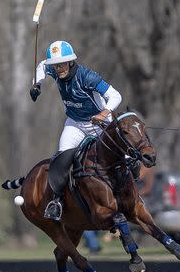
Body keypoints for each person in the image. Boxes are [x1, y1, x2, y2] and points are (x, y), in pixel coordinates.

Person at [29, 40, 122, 221]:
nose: (59, 69)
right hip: (75, 123)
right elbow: (41, 65)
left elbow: (115, 95)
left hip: (99, 123)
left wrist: (104, 113)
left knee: (123, 156)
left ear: (70, 62)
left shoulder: (87, 77)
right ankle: (57, 203)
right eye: (56, 66)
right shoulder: (53, 70)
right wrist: (36, 84)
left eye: (62, 64)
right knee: (62, 158)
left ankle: (130, 194)